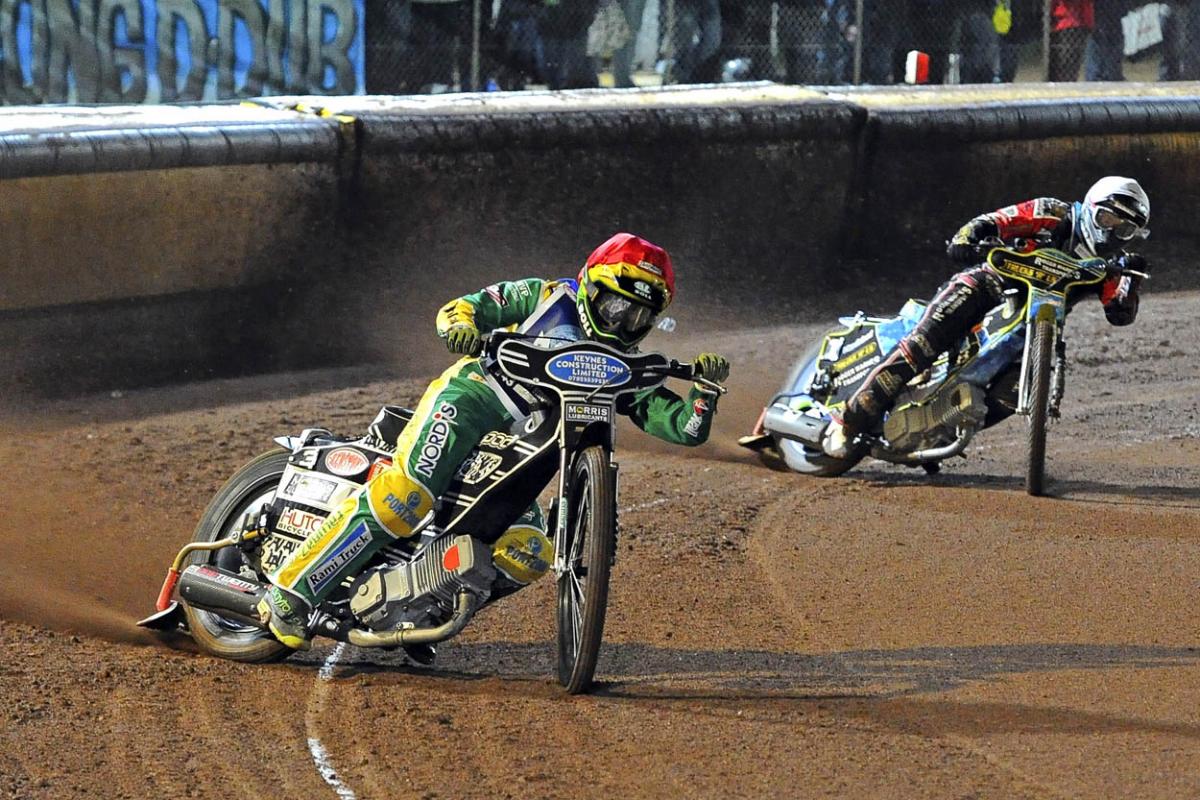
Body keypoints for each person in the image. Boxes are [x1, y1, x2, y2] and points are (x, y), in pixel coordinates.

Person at [258, 233, 732, 650]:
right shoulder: (543, 296)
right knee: (404, 498)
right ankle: (293, 591)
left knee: (529, 551)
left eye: (639, 317)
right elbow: (464, 308)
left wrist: (704, 395)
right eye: (616, 306)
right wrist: (461, 329)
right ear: (591, 285)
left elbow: (682, 428)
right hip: (473, 401)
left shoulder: (624, 364)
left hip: (517, 449)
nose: (624, 323)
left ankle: (424, 609)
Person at [823, 177, 1150, 459]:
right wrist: (967, 238)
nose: (1111, 233)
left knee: (1012, 394)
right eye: (1108, 219)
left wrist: (1130, 278)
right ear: (1093, 207)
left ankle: (939, 432)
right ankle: (849, 420)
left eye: (1123, 229)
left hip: (1036, 326)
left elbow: (1119, 313)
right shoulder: (1054, 212)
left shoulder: (1108, 265)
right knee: (923, 345)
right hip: (988, 286)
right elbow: (995, 221)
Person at [1049, 0, 1094, 81]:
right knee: (1064, 61)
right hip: (1066, 22)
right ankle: (1063, 82)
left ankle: (1068, 81)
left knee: (1071, 62)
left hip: (1078, 22)